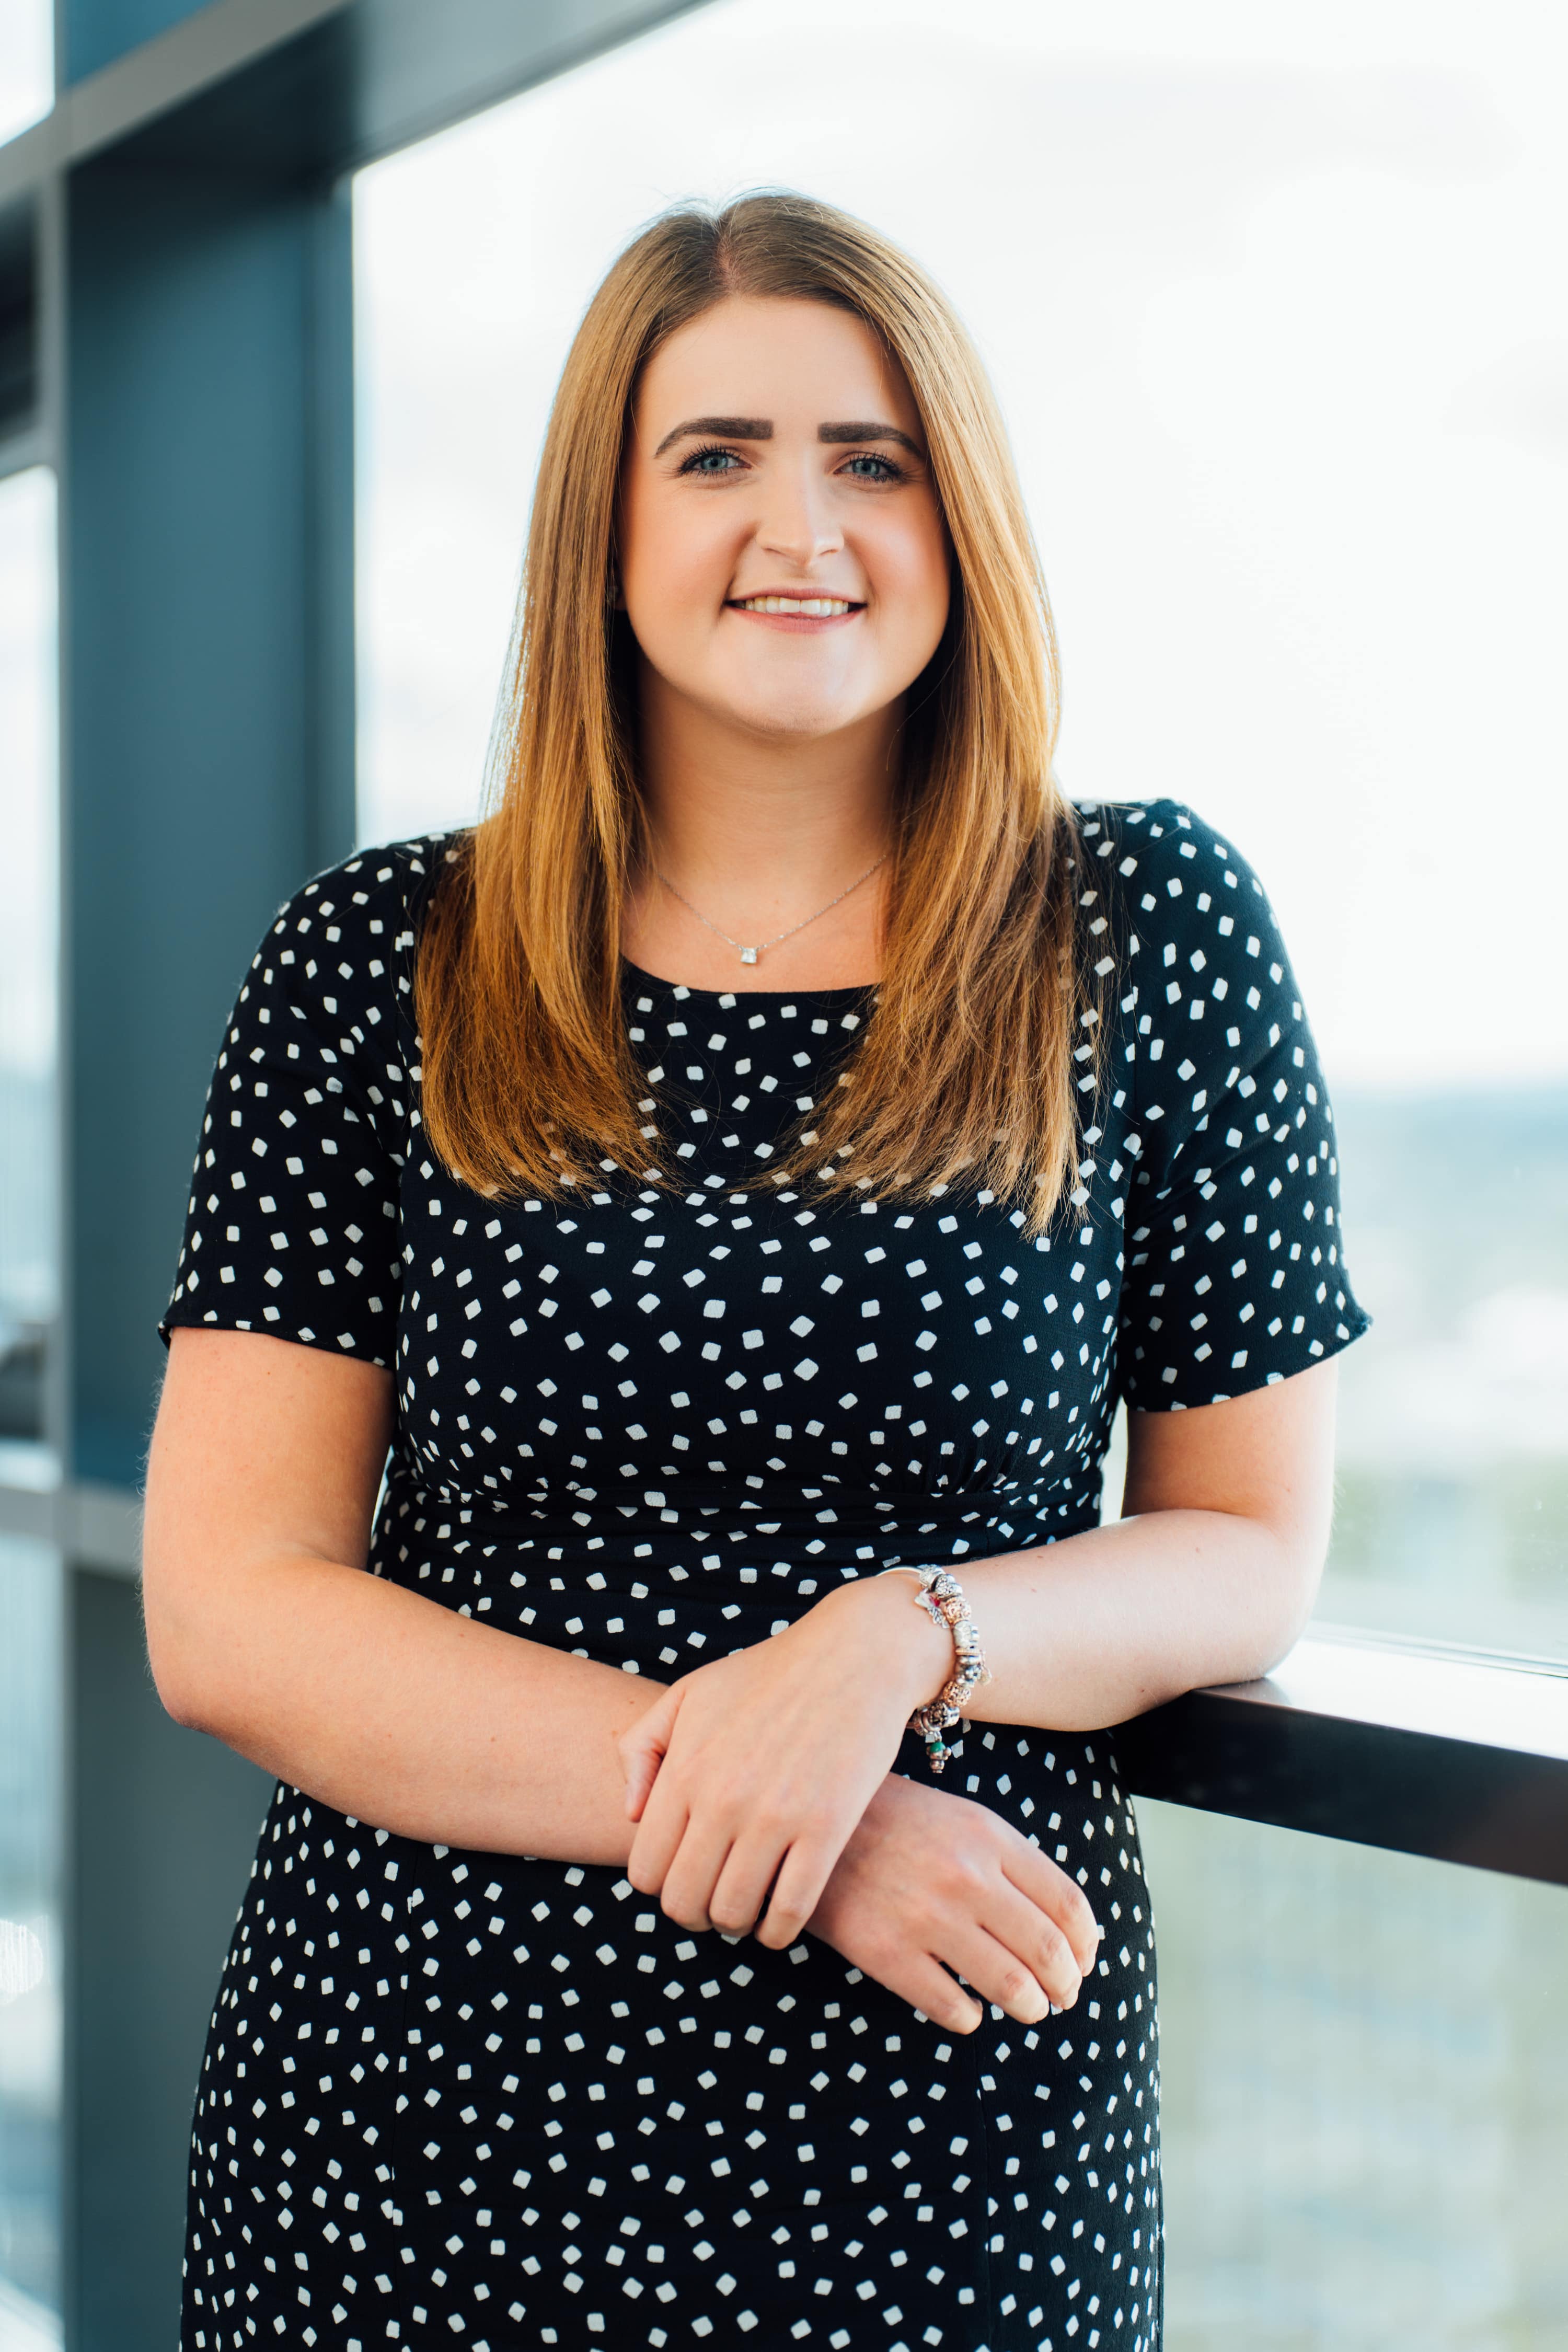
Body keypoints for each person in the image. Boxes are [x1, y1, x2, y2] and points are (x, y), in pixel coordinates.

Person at [143, 191, 1367, 2352]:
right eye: (716, 455)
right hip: (416, 2108)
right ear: (603, 527)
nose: (801, 526)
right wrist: (795, 1813)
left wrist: (892, 1642)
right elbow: (230, 1605)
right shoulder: (375, 962)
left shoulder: (1142, 931)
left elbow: (1245, 1548)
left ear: (956, 518)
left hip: (945, 2126)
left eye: (871, 459)